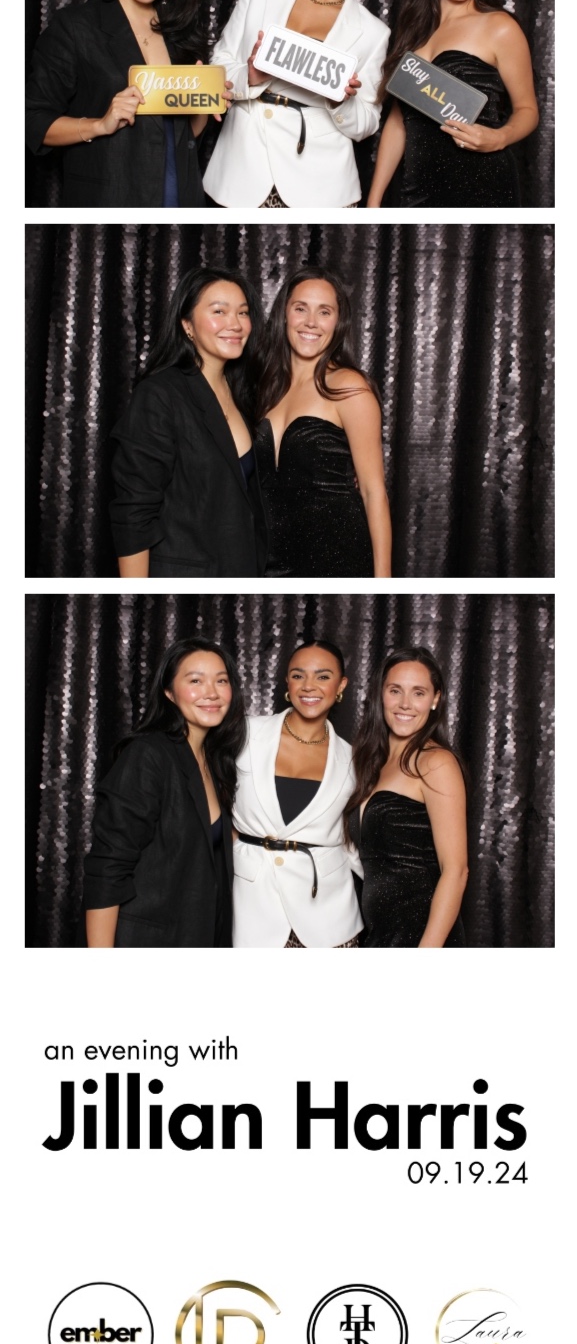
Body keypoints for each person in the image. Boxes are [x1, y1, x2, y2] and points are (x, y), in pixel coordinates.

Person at [203, 0, 389, 207]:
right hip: (241, 168)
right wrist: (250, 75)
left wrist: (340, 100)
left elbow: (367, 123)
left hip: (320, 180)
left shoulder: (373, 31)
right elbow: (219, 66)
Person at [26, 0, 209, 206]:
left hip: (180, 197)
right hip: (110, 200)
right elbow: (32, 121)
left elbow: (181, 136)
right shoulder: (76, 26)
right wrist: (100, 124)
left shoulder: (180, 34)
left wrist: (206, 103)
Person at [366, 0, 539, 207]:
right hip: (418, 187)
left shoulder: (500, 27)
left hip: (481, 183)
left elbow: (528, 110)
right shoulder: (414, 28)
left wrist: (498, 138)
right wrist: (374, 201)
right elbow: (399, 121)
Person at [83, 637, 245, 946]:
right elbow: (108, 867)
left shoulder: (216, 761)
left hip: (198, 936)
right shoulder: (148, 754)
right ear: (169, 692)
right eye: (195, 680)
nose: (211, 692)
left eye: (221, 681)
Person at [109, 266, 268, 577]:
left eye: (243, 312)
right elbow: (133, 513)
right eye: (219, 311)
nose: (235, 324)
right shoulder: (160, 394)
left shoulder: (245, 393)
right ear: (187, 325)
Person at [252, 266, 391, 576]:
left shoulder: (349, 387)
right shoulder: (261, 387)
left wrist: (383, 584)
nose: (311, 322)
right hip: (267, 559)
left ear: (338, 322)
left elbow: (373, 493)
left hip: (336, 558)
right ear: (284, 314)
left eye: (324, 312)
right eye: (300, 308)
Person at [232, 640, 364, 947]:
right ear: (287, 682)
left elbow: (355, 834)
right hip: (253, 908)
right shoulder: (245, 734)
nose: (309, 686)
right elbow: (208, 793)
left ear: (341, 685)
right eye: (298, 675)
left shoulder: (355, 760)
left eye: (323, 676)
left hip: (330, 915)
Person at [346, 647, 468, 946]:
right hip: (379, 934)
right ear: (381, 695)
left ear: (435, 699)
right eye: (395, 690)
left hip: (422, 935)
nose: (405, 704)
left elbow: (456, 870)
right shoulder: (371, 762)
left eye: (418, 693)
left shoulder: (435, 762)